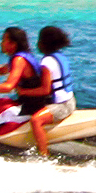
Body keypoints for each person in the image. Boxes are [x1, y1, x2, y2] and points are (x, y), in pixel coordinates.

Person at [21, 25, 77, 156]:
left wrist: (23, 92)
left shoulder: (47, 62)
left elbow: (45, 90)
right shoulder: (60, 56)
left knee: (36, 120)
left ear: (44, 43)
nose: (37, 43)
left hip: (62, 106)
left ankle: (44, 155)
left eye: (39, 40)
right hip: (70, 100)